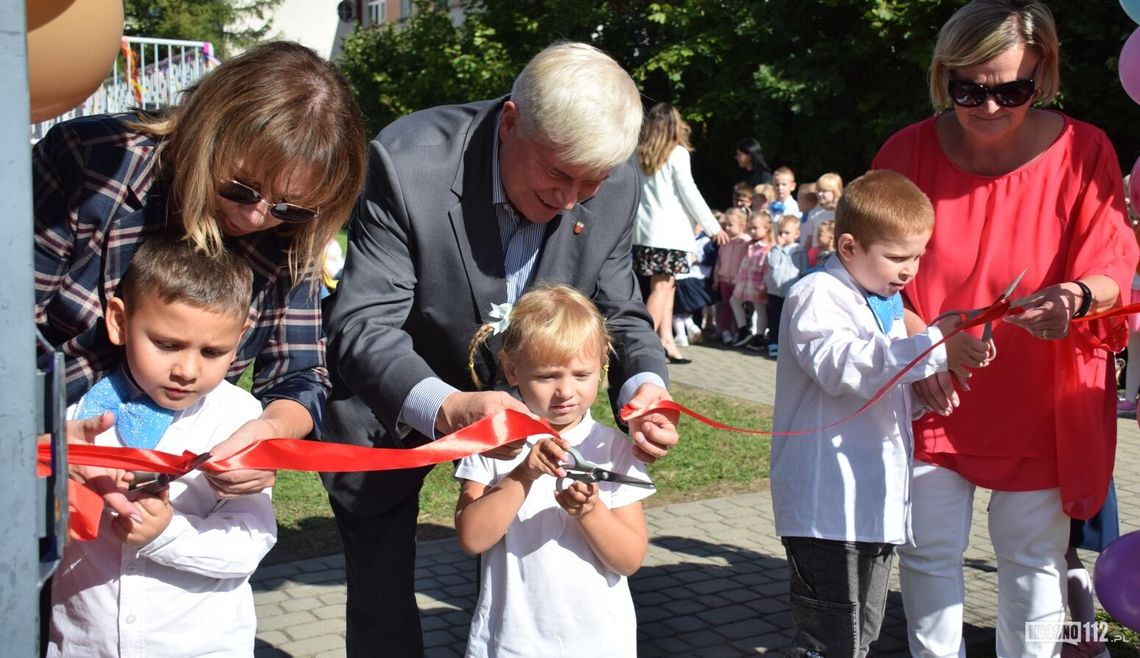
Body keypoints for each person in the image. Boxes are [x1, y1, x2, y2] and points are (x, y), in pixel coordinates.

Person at [321, 41, 680, 656]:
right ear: (511, 122)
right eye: (557, 175)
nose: (572, 201)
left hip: (537, 406)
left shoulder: (615, 181)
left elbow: (620, 308)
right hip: (397, 405)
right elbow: (363, 324)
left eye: (589, 183)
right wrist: (449, 408)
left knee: (522, 568)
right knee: (381, 594)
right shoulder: (409, 162)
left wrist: (645, 385)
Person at [871, 2, 1139, 656]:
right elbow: (871, 276)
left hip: (1040, 397)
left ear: (1042, 73)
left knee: (1031, 556)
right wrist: (926, 341)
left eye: (1011, 91)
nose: (990, 108)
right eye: (969, 91)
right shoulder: (906, 151)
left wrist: (1074, 298)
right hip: (942, 389)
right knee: (928, 548)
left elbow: (1113, 261)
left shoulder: (1083, 149)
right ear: (944, 76)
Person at [33, 41, 367, 506]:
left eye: (287, 207)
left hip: (164, 501)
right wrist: (42, 433)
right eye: (240, 189)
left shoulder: (295, 233)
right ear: (205, 130)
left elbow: (301, 374)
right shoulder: (92, 164)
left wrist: (268, 433)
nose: (256, 219)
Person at [771, 170, 990, 658]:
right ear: (848, 248)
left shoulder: (883, 303)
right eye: (896, 257)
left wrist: (928, 388)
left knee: (862, 635)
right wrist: (933, 345)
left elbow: (877, 393)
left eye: (917, 256)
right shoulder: (817, 296)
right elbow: (843, 369)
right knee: (831, 642)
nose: (910, 270)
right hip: (826, 508)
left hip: (873, 504)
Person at [47, 238, 276, 657]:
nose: (186, 370)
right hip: (83, 645)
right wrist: (55, 475)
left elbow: (250, 539)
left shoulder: (240, 420)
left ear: (240, 337)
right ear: (118, 320)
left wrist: (166, 535)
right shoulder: (77, 413)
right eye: (167, 344)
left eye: (212, 351)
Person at [455, 284, 653, 657]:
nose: (565, 391)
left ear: (602, 367)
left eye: (581, 374)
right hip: (510, 642)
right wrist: (522, 476)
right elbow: (472, 538)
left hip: (599, 643)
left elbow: (629, 559)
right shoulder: (495, 442)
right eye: (547, 376)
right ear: (512, 370)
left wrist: (591, 512)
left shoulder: (614, 450)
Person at [632, 102, 728, 364]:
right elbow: (690, 194)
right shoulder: (677, 154)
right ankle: (642, 348)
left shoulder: (636, 154)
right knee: (662, 287)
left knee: (668, 286)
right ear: (675, 125)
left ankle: (667, 341)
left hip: (644, 234)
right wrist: (712, 227)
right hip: (668, 235)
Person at [764, 214, 808, 357]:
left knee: (789, 320)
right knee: (774, 317)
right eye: (780, 232)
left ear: (797, 234)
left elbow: (803, 270)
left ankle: (788, 346)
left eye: (787, 233)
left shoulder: (800, 252)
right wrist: (777, 247)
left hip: (790, 291)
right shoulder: (775, 249)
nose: (782, 235)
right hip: (774, 290)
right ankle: (773, 343)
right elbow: (772, 264)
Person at [730, 210, 773, 350]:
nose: (752, 231)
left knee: (760, 309)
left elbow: (767, 269)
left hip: (756, 284)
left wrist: (763, 285)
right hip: (745, 282)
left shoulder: (768, 248)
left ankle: (760, 336)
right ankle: (744, 330)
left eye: (756, 228)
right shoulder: (751, 245)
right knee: (734, 301)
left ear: (767, 228)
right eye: (750, 228)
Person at [714, 207, 752, 344]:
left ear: (742, 225)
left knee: (739, 306)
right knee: (725, 305)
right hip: (724, 279)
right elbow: (719, 260)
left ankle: (738, 331)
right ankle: (725, 330)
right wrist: (716, 276)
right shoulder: (724, 240)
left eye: (730, 225)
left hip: (738, 280)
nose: (727, 228)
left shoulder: (746, 242)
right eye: (725, 225)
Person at [802, 172, 843, 250]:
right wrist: (805, 252)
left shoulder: (841, 212)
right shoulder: (814, 213)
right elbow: (810, 236)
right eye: (819, 190)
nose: (820, 194)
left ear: (835, 191)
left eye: (824, 191)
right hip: (816, 253)